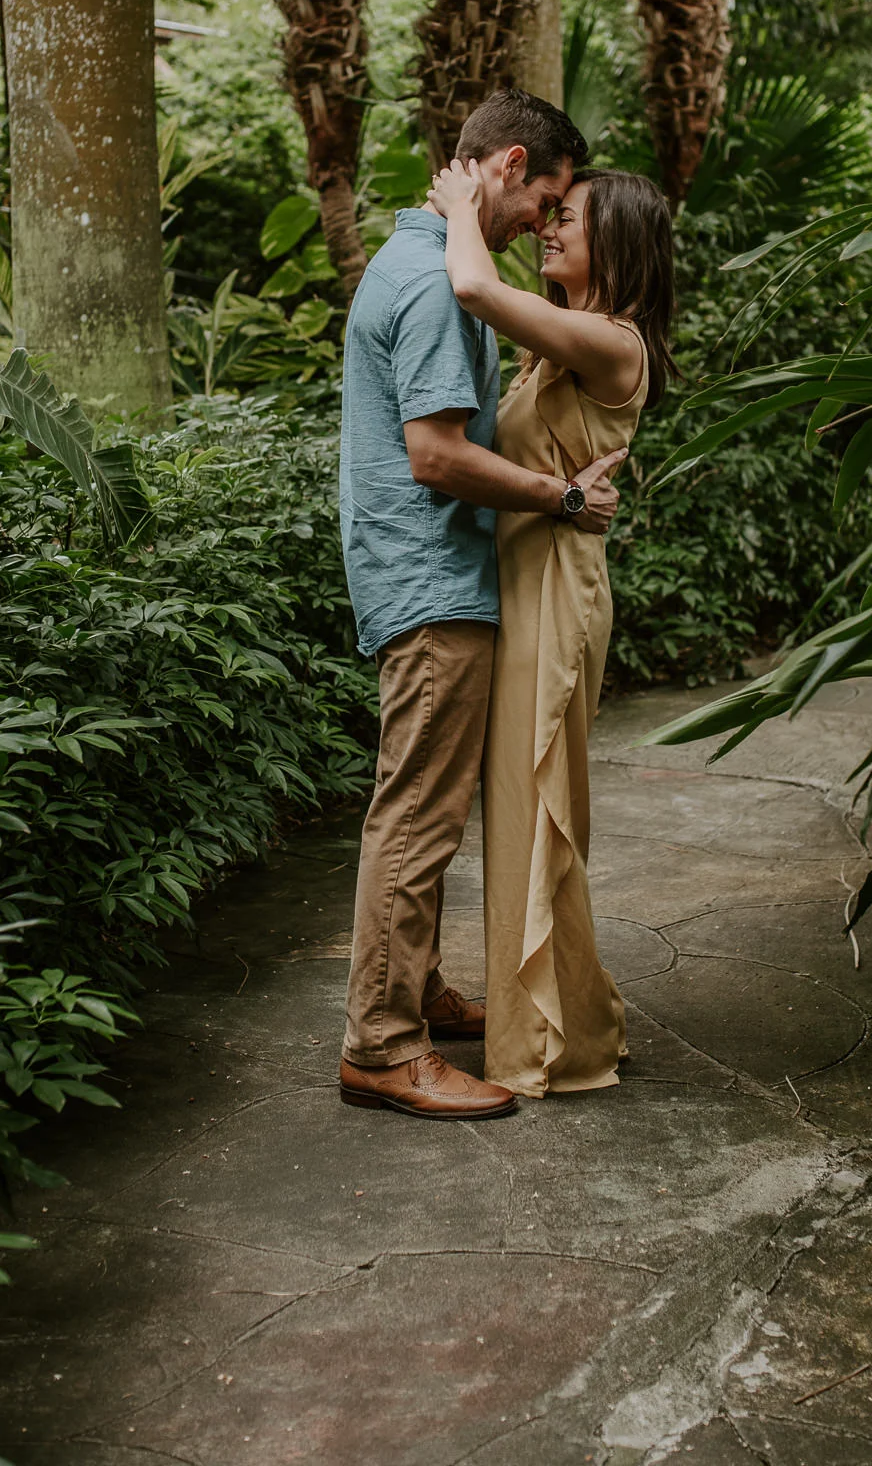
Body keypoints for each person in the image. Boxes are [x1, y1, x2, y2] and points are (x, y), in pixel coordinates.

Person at [337, 88, 630, 1121]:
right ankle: (381, 1041)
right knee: (416, 816)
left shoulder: (420, 263)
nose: (542, 224)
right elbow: (436, 454)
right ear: (505, 166)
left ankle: (408, 987)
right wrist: (559, 493)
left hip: (431, 576)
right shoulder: (435, 283)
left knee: (425, 808)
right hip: (433, 580)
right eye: (544, 199)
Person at [427, 157, 676, 1097]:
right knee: (522, 809)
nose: (547, 227)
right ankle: (553, 1014)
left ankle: (549, 1041)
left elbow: (470, 284)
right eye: (549, 214)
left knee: (541, 807)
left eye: (567, 216)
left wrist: (459, 205)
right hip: (522, 581)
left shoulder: (615, 344)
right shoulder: (559, 347)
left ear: (617, 238)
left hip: (558, 592)